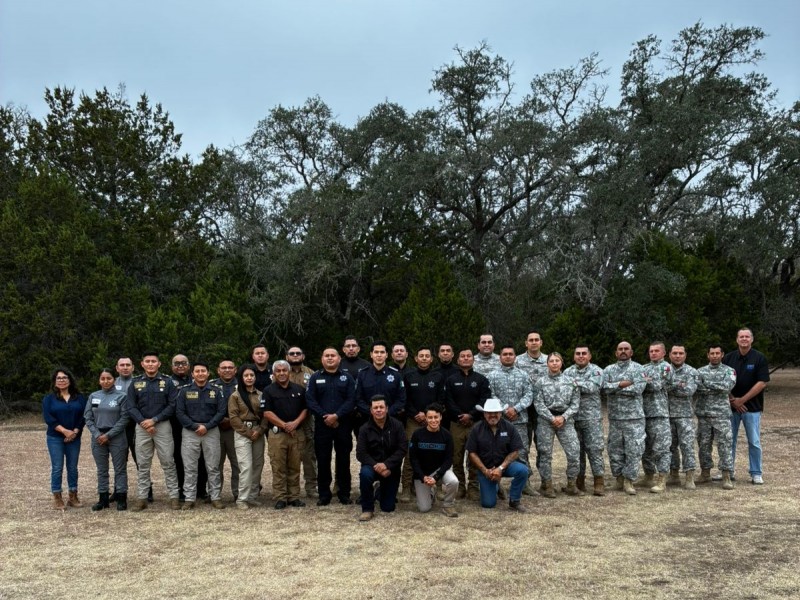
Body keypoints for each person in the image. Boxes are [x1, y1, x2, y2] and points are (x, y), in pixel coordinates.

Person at [126, 352, 181, 511]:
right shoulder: (135, 382)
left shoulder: (168, 382)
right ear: (142, 364)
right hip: (142, 426)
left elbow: (172, 405)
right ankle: (142, 498)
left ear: (159, 364)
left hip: (162, 425)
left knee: (168, 462)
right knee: (143, 464)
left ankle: (174, 497)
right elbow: (131, 406)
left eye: (153, 361)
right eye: (147, 361)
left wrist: (155, 420)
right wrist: (144, 422)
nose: (150, 364)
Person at [305, 347, 356, 505]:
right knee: (323, 460)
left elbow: (352, 400)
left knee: (343, 460)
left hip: (343, 424)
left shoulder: (347, 378)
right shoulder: (315, 378)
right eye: (326, 355)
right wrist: (325, 416)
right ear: (322, 359)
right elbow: (310, 400)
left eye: (333, 355)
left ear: (339, 359)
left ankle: (344, 493)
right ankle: (324, 494)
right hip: (322, 425)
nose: (329, 358)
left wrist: (337, 416)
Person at [176, 361, 227, 510]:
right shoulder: (184, 391)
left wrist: (207, 426)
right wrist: (195, 426)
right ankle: (189, 498)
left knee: (213, 466)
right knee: (190, 467)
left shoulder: (216, 391)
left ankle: (215, 497)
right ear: (192, 374)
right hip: (190, 432)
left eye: (203, 371)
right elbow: (179, 412)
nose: (200, 374)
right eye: (197, 371)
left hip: (211, 431)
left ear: (208, 373)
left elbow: (221, 411)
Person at [486, 344, 535, 496]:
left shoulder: (524, 375)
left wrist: (516, 408)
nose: (507, 356)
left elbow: (529, 394)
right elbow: (491, 394)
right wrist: (505, 409)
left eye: (510, 354)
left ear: (515, 357)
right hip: (498, 420)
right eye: (504, 354)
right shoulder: (492, 376)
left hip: (519, 420)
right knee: (496, 451)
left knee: (522, 451)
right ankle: (497, 483)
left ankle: (525, 484)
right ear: (500, 357)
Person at [723, 328, 769, 485]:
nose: (744, 339)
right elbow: (721, 381)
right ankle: (728, 471)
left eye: (747, 336)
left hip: (752, 408)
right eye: (741, 336)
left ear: (752, 339)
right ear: (737, 339)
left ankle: (756, 473)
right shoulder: (728, 358)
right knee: (729, 441)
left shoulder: (759, 358)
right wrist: (733, 400)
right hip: (731, 407)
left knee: (754, 441)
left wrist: (742, 400)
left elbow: (762, 383)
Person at [465, 398, 529, 511]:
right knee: (488, 504)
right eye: (489, 413)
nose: (493, 415)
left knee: (523, 470)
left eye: (496, 413)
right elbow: (472, 453)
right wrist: (485, 470)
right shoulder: (476, 429)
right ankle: (496, 485)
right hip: (485, 469)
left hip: (505, 466)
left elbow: (515, 451)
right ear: (484, 414)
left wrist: (500, 468)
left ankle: (514, 501)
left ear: (500, 413)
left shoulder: (509, 427)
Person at [400, 346, 446, 502]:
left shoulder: (438, 377)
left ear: (431, 359)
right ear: (416, 358)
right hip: (413, 421)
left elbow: (441, 399)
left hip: (432, 420)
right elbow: (405, 399)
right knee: (410, 454)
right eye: (421, 356)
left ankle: (437, 486)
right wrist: (416, 414)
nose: (424, 358)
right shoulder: (408, 376)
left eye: (427, 356)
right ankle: (406, 488)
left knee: (437, 452)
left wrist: (427, 415)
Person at [444, 348, 491, 499]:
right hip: (456, 424)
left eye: (468, 356)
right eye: (462, 356)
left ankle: (473, 487)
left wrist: (471, 415)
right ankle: (460, 487)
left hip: (476, 423)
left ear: (473, 359)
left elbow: (484, 400)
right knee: (456, 457)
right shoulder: (450, 380)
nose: (465, 358)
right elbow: (448, 401)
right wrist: (460, 416)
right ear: (458, 360)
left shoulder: (481, 380)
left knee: (474, 455)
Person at [533, 353, 581, 498]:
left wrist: (563, 417)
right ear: (547, 363)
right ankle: (546, 485)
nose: (554, 363)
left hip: (565, 420)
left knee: (574, 452)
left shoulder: (571, 381)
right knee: (545, 454)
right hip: (546, 421)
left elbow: (575, 403)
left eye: (557, 361)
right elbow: (538, 403)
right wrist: (551, 418)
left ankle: (571, 484)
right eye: (551, 361)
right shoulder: (540, 382)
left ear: (561, 362)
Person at [602, 341, 647, 495]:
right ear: (616, 353)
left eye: (626, 349)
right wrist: (622, 384)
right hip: (615, 419)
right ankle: (619, 479)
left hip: (634, 419)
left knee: (634, 450)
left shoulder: (639, 369)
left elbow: (638, 388)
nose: (623, 351)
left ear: (631, 352)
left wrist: (615, 387)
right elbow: (604, 387)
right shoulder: (608, 369)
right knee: (615, 450)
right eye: (620, 349)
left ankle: (629, 480)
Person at [263, 360, 308, 509]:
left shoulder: (299, 389)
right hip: (278, 435)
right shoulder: (268, 391)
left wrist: (295, 423)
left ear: (289, 372)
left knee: (295, 466)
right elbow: (267, 413)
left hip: (296, 434)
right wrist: (285, 425)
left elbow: (305, 409)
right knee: (278, 467)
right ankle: (280, 497)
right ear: (274, 373)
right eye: (278, 371)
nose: (281, 373)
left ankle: (294, 497)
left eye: (284, 370)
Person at [356, 395, 407, 522]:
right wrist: (377, 466)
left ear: (387, 408)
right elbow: (361, 453)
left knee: (388, 508)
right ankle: (367, 509)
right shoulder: (364, 429)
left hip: (391, 468)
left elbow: (402, 449)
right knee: (365, 474)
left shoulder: (398, 426)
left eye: (381, 407)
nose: (378, 410)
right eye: (375, 407)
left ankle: (379, 490)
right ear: (371, 410)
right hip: (371, 466)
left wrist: (387, 465)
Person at [563, 346, 606, 496]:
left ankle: (599, 482)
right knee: (576, 451)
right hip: (573, 418)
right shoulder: (567, 371)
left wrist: (573, 383)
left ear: (589, 356)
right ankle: (579, 481)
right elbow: (564, 390)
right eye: (578, 354)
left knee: (595, 450)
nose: (581, 356)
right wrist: (577, 383)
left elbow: (592, 387)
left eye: (584, 353)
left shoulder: (597, 371)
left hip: (591, 418)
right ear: (574, 356)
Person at [85, 368, 129, 511]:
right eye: (103, 379)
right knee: (102, 470)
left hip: (117, 436)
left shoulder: (122, 396)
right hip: (98, 437)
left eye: (109, 378)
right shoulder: (93, 396)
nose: (106, 381)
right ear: (99, 381)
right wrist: (97, 434)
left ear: (114, 380)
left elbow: (125, 418)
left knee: (120, 469)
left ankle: (121, 497)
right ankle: (103, 498)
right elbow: (88, 418)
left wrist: (108, 435)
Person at [43, 368, 87, 510]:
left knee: (72, 468)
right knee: (57, 467)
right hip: (55, 437)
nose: (61, 380)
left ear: (70, 380)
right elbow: (49, 418)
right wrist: (64, 431)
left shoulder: (79, 398)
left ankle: (73, 496)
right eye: (59, 378)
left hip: (74, 437)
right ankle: (57, 497)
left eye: (64, 377)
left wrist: (75, 432)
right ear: (55, 381)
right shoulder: (49, 399)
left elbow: (84, 416)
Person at [696, 345, 737, 490]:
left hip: (721, 415)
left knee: (725, 445)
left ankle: (726, 475)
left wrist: (707, 384)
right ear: (708, 355)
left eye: (717, 353)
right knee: (703, 445)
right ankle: (705, 473)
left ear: (722, 354)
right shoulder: (699, 372)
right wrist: (716, 387)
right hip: (704, 415)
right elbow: (698, 388)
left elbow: (727, 387)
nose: (714, 356)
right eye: (712, 353)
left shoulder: (729, 371)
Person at [408, 403, 458, 517]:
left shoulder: (447, 435)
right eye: (430, 417)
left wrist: (436, 477)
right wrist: (422, 476)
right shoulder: (417, 434)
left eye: (436, 417)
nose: (433, 420)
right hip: (422, 473)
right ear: (426, 418)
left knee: (454, 481)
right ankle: (431, 493)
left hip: (440, 470)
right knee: (424, 509)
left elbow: (449, 460)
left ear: (441, 417)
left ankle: (448, 505)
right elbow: (413, 459)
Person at [228, 364, 265, 510]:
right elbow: (233, 418)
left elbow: (266, 415)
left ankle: (252, 496)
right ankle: (242, 498)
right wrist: (249, 433)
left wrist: (260, 430)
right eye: (246, 375)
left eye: (252, 375)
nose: (249, 378)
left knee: (258, 465)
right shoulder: (235, 396)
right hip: (242, 432)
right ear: (241, 377)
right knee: (246, 466)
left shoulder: (261, 394)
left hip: (258, 431)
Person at [169, 353, 206, 502]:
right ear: (172, 366)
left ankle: (201, 489)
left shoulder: (197, 380)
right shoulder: (168, 382)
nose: (180, 366)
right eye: (177, 363)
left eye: (183, 363)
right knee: (179, 457)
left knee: (201, 458)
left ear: (189, 366)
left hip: (198, 425)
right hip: (176, 425)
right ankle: (182, 489)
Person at [641, 342, 674, 493]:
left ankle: (662, 479)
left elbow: (656, 385)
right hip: (642, 414)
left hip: (659, 414)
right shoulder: (643, 368)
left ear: (664, 353)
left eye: (656, 351)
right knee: (645, 447)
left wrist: (643, 381)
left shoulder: (666, 367)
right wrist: (644, 381)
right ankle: (648, 475)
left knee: (661, 448)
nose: (653, 353)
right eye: (651, 351)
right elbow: (638, 384)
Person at [286, 346, 318, 500]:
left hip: (306, 420)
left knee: (309, 456)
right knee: (288, 455)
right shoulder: (281, 372)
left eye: (298, 353)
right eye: (292, 353)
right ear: (287, 357)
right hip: (285, 421)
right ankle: (289, 489)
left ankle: (311, 487)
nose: (295, 355)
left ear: (303, 356)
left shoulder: (312, 374)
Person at [514, 329, 548, 467]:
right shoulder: (517, 361)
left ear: (541, 342)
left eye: (536, 340)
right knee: (523, 443)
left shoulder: (549, 360)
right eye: (531, 340)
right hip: (524, 408)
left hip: (543, 408)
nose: (534, 342)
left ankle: (544, 474)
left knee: (543, 443)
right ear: (526, 343)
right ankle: (525, 473)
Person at [666, 345, 698, 489]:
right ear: (669, 355)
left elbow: (689, 391)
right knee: (669, 446)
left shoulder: (692, 372)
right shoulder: (664, 370)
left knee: (687, 446)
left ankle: (689, 476)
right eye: (675, 353)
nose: (677, 356)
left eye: (680, 353)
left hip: (685, 416)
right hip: (666, 415)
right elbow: (661, 388)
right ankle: (673, 475)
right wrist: (679, 384)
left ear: (685, 355)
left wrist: (670, 387)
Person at [210, 359, 240, 501]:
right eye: (224, 368)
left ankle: (238, 492)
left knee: (237, 463)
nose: (227, 370)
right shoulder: (211, 385)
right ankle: (214, 493)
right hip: (215, 429)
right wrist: (219, 420)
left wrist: (232, 421)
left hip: (236, 429)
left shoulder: (242, 384)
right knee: (215, 464)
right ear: (218, 370)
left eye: (230, 367)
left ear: (235, 370)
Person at [355, 341, 406, 418]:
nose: (379, 355)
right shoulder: (362, 375)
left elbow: (401, 399)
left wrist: (387, 413)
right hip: (367, 419)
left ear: (386, 355)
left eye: (382, 352)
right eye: (376, 352)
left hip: (391, 418)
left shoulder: (396, 375)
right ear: (371, 354)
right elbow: (358, 399)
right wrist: (372, 412)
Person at [113, 356, 140, 502]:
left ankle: (146, 490)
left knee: (140, 460)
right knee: (119, 461)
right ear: (117, 368)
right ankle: (118, 490)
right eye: (122, 365)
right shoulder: (111, 383)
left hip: (135, 427)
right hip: (118, 428)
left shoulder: (139, 382)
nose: (125, 367)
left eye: (127, 365)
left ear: (133, 367)